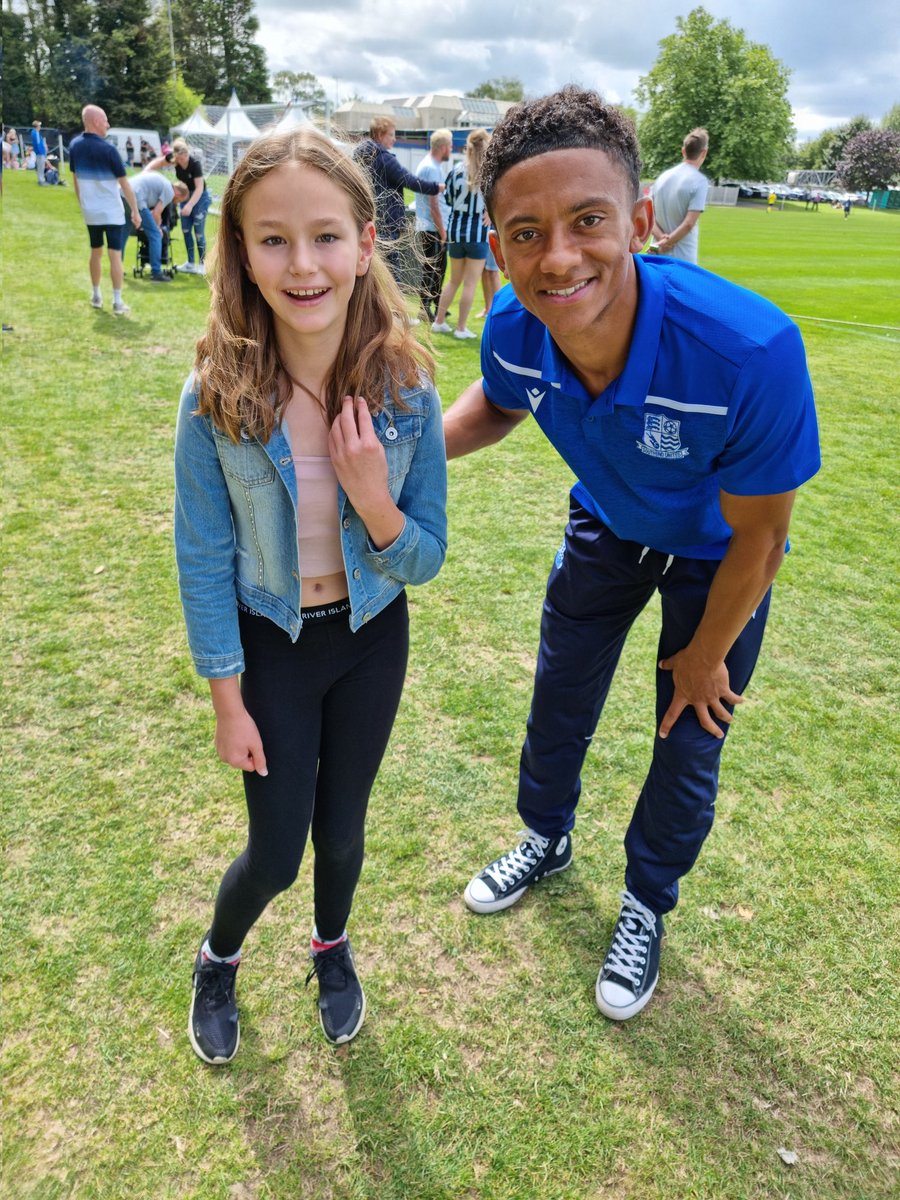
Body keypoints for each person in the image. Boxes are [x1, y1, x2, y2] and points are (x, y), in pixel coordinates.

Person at [443, 87, 820, 1022]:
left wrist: (703, 654)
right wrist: (404, 452)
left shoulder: (750, 350)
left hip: (718, 558)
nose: (558, 257)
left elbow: (765, 537)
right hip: (608, 525)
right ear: (497, 247)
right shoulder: (512, 327)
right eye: (525, 233)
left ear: (642, 221)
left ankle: (646, 903)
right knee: (560, 689)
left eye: (588, 221)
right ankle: (546, 836)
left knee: (691, 728)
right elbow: (499, 400)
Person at [174, 127, 448, 1065]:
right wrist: (225, 696)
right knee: (280, 850)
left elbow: (424, 559)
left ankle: (332, 950)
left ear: (366, 243)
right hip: (272, 649)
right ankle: (220, 956)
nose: (303, 265)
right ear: (242, 251)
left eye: (326, 236)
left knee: (343, 837)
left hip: (371, 638)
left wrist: (374, 501)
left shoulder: (408, 389)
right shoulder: (215, 394)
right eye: (274, 239)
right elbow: (204, 558)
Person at [352, 116, 443, 290]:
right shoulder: (384, 158)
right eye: (392, 135)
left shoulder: (360, 157)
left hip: (367, 222)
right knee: (393, 278)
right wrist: (436, 187)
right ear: (380, 134)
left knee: (370, 275)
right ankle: (393, 314)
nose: (394, 139)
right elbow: (408, 180)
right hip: (386, 225)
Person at [68, 105, 141, 315]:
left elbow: (76, 180)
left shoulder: (74, 146)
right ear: (96, 121)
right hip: (112, 212)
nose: (108, 124)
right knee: (115, 255)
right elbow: (125, 185)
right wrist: (135, 211)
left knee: (95, 252)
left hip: (91, 212)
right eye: (106, 120)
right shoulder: (109, 150)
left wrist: (82, 204)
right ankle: (117, 302)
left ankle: (96, 295)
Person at [432, 128, 491, 340]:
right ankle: (461, 328)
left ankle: (439, 322)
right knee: (470, 283)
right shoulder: (487, 174)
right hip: (477, 234)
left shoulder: (456, 170)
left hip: (455, 231)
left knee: (454, 280)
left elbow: (447, 199)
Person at [650, 128, 709, 263]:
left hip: (656, 254)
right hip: (682, 257)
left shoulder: (662, 177)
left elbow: (650, 215)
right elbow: (689, 223)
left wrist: (660, 240)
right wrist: (666, 243)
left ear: (683, 151)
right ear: (704, 152)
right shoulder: (699, 181)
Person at [414, 128, 452, 323]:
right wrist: (442, 229)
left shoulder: (432, 166)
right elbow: (434, 204)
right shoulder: (431, 168)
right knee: (432, 269)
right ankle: (424, 309)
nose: (451, 150)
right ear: (443, 147)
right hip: (432, 227)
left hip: (431, 226)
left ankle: (438, 307)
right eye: (451, 146)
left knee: (439, 268)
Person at [171, 137, 212, 274]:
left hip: (200, 198)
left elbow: (199, 188)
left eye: (184, 156)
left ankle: (202, 264)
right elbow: (164, 159)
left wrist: (189, 205)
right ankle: (190, 262)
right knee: (186, 230)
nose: (183, 160)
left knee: (199, 232)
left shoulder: (195, 164)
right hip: (186, 197)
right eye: (180, 158)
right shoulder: (175, 163)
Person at [127, 167, 175, 282]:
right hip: (138, 199)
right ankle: (156, 273)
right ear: (179, 194)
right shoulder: (170, 191)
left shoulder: (162, 181)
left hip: (125, 192)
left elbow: (153, 212)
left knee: (123, 233)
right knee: (155, 235)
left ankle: (117, 268)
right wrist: (157, 228)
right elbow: (156, 213)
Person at [31, 120, 48, 185]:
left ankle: (41, 179)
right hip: (40, 152)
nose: (40, 127)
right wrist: (42, 151)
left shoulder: (34, 132)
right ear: (37, 126)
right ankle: (41, 180)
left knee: (41, 166)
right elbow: (38, 144)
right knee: (41, 167)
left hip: (39, 152)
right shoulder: (36, 133)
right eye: (39, 125)